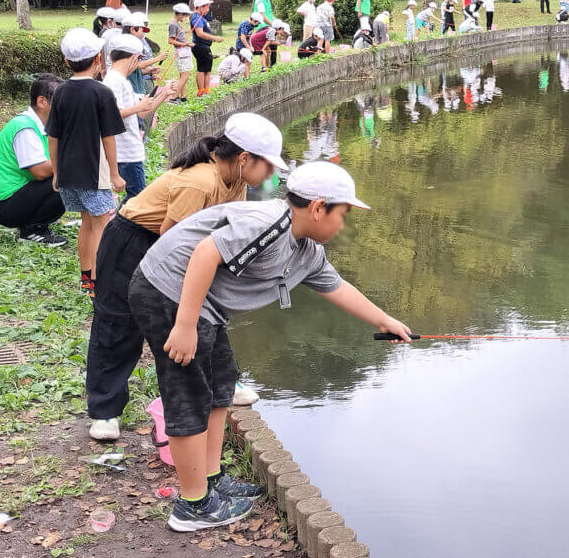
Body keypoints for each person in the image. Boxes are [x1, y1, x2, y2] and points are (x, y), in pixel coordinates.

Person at [126, 161, 412, 531]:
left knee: (221, 382)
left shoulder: (305, 251)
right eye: (342, 214)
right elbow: (204, 254)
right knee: (189, 394)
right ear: (318, 207)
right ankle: (192, 507)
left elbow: (337, 287)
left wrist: (385, 322)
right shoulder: (268, 224)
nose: (343, 224)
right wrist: (183, 325)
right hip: (167, 291)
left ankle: (211, 482)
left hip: (202, 305)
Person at [87, 113, 287, 442]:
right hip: (135, 241)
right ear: (244, 158)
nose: (272, 174)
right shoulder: (199, 182)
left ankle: (221, 380)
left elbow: (226, 232)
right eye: (269, 166)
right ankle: (105, 410)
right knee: (119, 324)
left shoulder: (237, 180)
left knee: (208, 311)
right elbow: (170, 243)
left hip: (186, 247)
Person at [46, 28, 126, 298]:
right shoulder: (102, 93)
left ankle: (86, 278)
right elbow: (109, 137)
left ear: (67, 62)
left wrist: (56, 172)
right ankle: (101, 283)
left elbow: (53, 138)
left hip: (68, 172)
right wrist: (115, 174)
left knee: (86, 223)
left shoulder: (60, 93)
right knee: (102, 224)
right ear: (98, 60)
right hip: (95, 172)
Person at [0, 74, 67, 247]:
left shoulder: (45, 125)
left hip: (17, 196)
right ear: (42, 101)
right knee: (68, 176)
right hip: (4, 205)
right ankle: (32, 230)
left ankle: (39, 220)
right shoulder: (25, 128)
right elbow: (40, 172)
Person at [104, 34, 174, 200]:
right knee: (138, 200)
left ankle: (118, 225)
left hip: (132, 150)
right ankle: (117, 226)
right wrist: (138, 107)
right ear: (134, 58)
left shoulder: (121, 80)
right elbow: (111, 115)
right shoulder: (113, 80)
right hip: (125, 152)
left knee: (136, 199)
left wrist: (163, 94)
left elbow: (141, 113)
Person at [121, 12, 168, 97]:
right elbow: (138, 65)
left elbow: (135, 68)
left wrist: (150, 71)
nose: (144, 33)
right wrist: (158, 58)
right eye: (142, 30)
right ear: (132, 30)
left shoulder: (135, 43)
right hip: (131, 87)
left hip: (138, 84)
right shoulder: (127, 45)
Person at [191, 0, 223, 96]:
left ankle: (206, 91)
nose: (208, 9)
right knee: (201, 70)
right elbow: (199, 33)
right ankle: (201, 92)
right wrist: (215, 38)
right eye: (207, 7)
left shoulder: (200, 17)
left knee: (207, 70)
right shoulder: (197, 18)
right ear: (201, 7)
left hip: (204, 47)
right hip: (200, 47)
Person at [169, 3, 194, 103]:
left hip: (184, 52)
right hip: (180, 52)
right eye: (185, 15)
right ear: (179, 14)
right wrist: (185, 44)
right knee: (185, 76)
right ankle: (173, 98)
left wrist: (186, 43)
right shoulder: (173, 25)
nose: (187, 18)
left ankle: (183, 96)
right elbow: (171, 41)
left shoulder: (176, 24)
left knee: (183, 75)